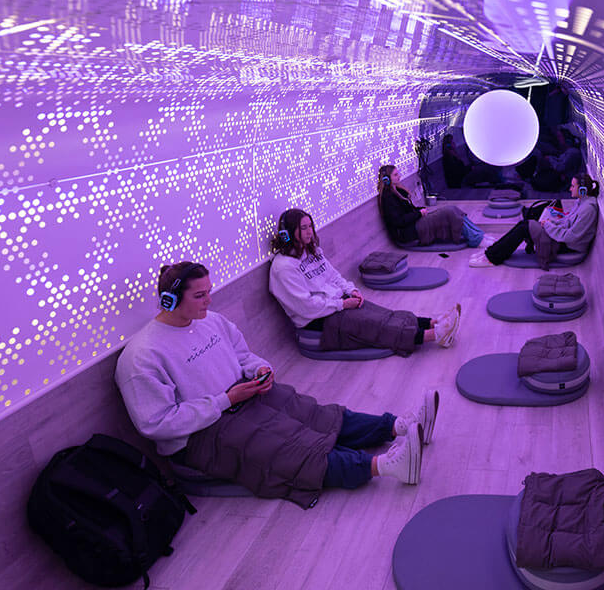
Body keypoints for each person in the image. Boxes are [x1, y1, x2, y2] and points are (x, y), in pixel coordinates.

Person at [115, 262, 440, 507]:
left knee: (317, 415)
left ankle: (399, 426)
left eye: (209, 292)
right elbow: (156, 424)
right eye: (200, 295)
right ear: (169, 300)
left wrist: (260, 369)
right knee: (288, 446)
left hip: (240, 399)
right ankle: (386, 466)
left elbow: (244, 355)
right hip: (198, 437)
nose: (208, 301)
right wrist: (224, 401)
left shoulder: (210, 322)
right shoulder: (143, 356)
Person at [270, 208, 461, 353]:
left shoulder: (312, 252)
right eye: (303, 228)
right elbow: (306, 306)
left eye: (310, 226)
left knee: (383, 313)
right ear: (288, 233)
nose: (309, 232)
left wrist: (351, 290)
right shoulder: (284, 268)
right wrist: (342, 304)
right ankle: (436, 335)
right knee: (372, 324)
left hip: (335, 304)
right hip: (316, 319)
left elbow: (334, 276)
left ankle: (432, 322)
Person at [469, 173, 601, 270]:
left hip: (568, 247)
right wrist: (551, 222)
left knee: (524, 228)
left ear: (583, 189)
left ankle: (492, 257)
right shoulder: (581, 202)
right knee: (525, 224)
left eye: (573, 186)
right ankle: (492, 251)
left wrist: (548, 225)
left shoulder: (588, 209)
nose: (570, 189)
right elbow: (567, 222)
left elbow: (571, 237)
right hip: (561, 239)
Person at [377, 164, 469, 246]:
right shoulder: (388, 197)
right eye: (395, 175)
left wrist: (420, 210)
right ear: (387, 179)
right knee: (449, 212)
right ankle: (475, 238)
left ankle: (474, 234)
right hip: (406, 233)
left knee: (453, 209)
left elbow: (409, 210)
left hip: (413, 224)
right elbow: (399, 221)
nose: (399, 176)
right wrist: (419, 213)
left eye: (398, 173)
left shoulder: (399, 191)